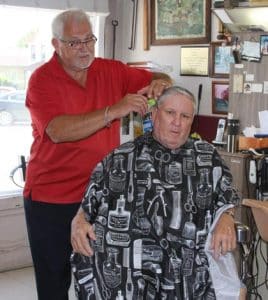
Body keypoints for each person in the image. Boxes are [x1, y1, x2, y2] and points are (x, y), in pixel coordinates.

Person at [23, 8, 172, 300]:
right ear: (56, 44)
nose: (84, 48)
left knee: (103, 276)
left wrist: (161, 82)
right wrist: (112, 111)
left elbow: (159, 74)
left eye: (89, 40)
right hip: (51, 199)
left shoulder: (111, 70)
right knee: (54, 281)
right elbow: (57, 131)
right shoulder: (41, 80)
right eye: (74, 42)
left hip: (100, 196)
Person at [70, 86, 240, 299]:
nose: (177, 122)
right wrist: (78, 220)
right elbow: (89, 202)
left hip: (185, 263)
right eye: (170, 113)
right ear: (155, 114)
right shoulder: (121, 157)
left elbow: (227, 191)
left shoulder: (206, 156)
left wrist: (227, 216)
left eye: (185, 116)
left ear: (192, 121)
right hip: (128, 265)